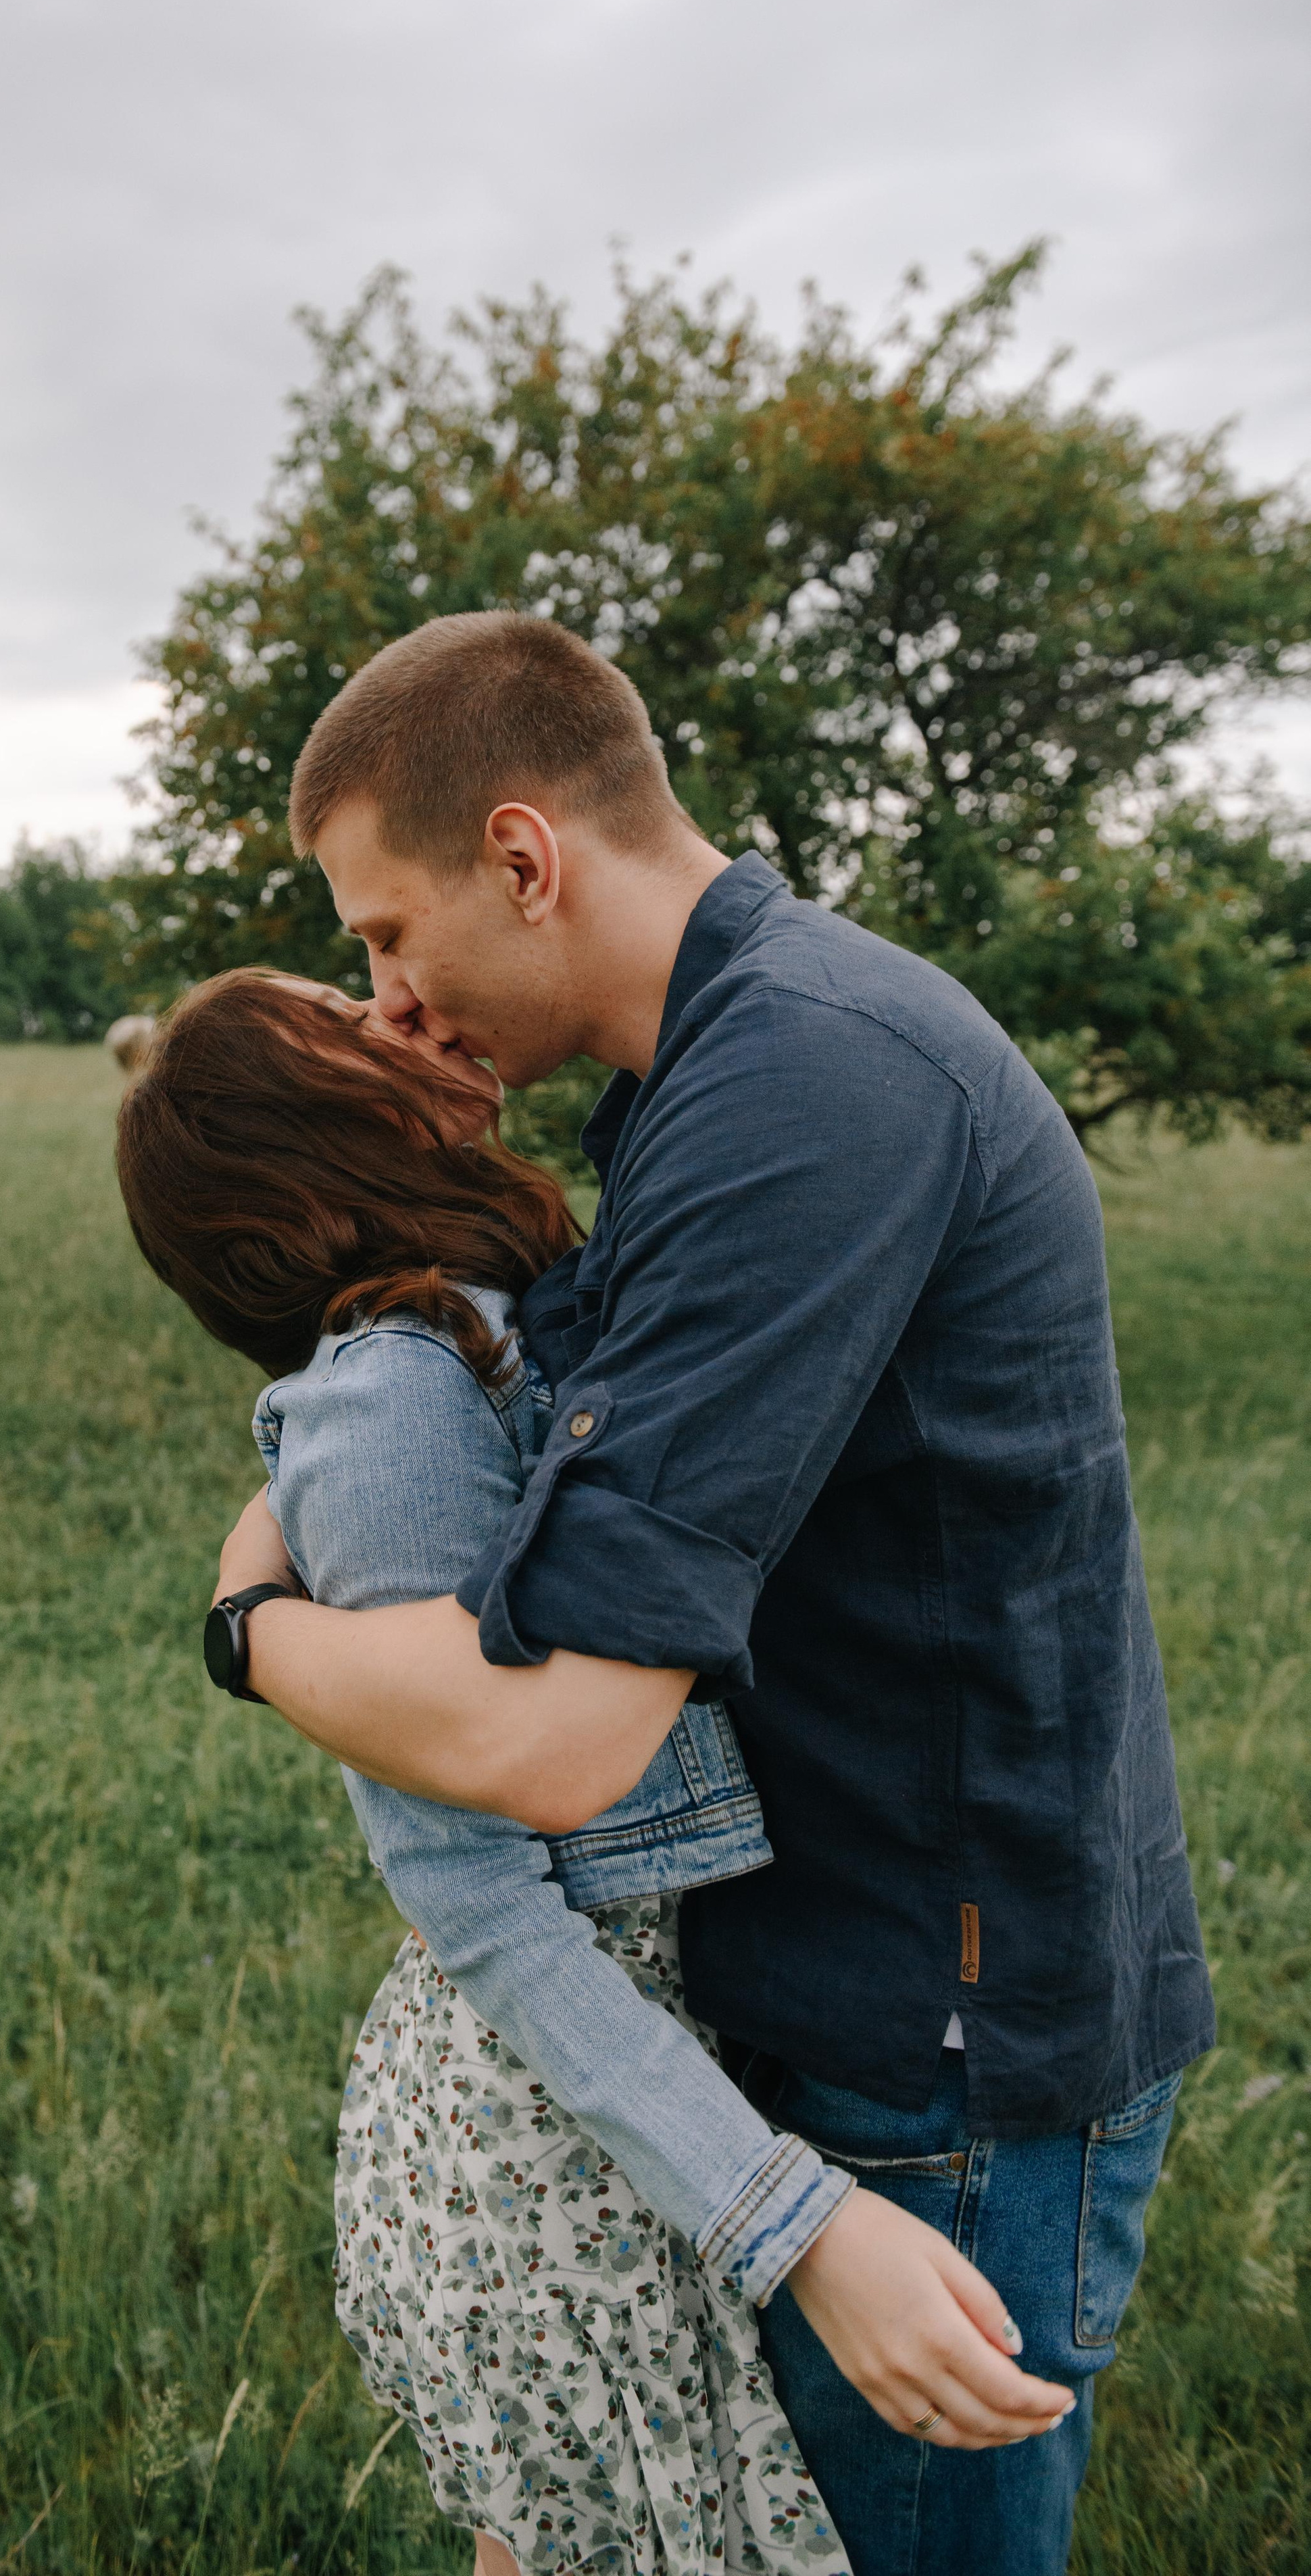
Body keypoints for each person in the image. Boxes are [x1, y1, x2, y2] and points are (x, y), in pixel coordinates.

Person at [206, 612, 1216, 2576]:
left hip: (945, 2035)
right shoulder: (704, 1080)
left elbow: (559, 1745)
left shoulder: (806, 1088)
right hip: (857, 1969)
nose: (391, 999)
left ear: (523, 857)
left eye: (388, 934)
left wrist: (250, 1632)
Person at [117, 966, 874, 2573]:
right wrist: (777, 2216)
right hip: (547, 2140)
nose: (404, 1007)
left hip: (635, 2066)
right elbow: (480, 1899)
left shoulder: (491, 1322)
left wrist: (253, 1577)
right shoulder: (390, 1400)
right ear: (310, 1133)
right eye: (350, 1016)